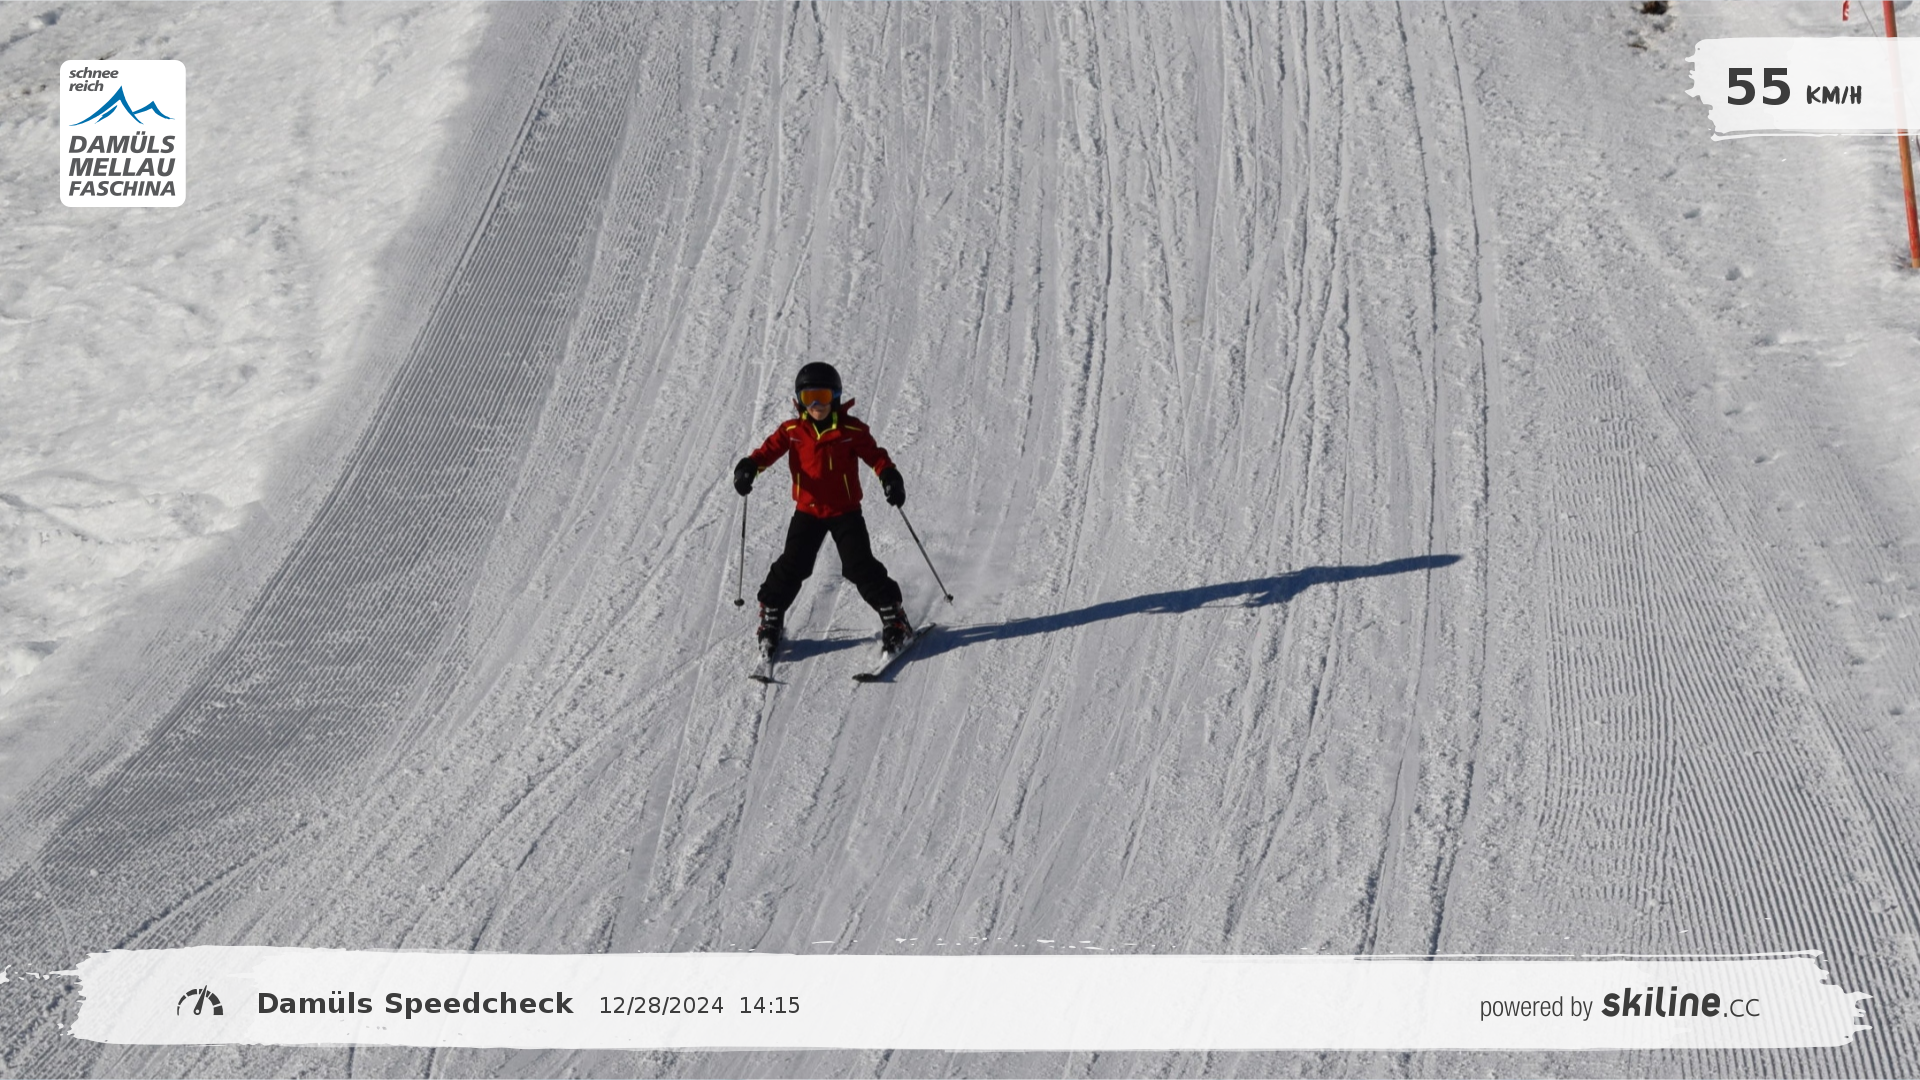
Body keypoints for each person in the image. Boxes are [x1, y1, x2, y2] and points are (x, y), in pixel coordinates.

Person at [733, 362, 911, 655]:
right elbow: (767, 451)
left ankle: (894, 616)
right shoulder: (792, 431)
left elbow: (876, 456)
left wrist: (890, 477)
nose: (816, 405)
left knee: (858, 565)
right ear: (799, 400)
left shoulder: (851, 430)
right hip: (809, 511)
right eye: (809, 398)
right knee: (793, 564)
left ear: (836, 397)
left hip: (845, 512)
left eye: (823, 397)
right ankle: (772, 615)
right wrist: (749, 467)